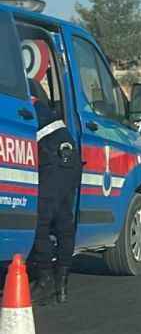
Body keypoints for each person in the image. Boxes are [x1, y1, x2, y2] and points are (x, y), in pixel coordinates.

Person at [28, 81, 81, 304]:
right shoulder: (46, 112)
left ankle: (44, 279)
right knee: (64, 222)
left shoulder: (28, 109)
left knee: (40, 221)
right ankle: (62, 283)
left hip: (53, 161)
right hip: (70, 160)